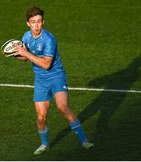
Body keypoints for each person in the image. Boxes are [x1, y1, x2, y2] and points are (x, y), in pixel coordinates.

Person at [14, 6, 94, 155]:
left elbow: (46, 64)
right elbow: (25, 58)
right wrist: (16, 54)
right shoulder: (26, 36)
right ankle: (45, 144)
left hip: (56, 76)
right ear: (28, 24)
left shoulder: (49, 39)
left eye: (39, 21)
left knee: (63, 107)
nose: (36, 25)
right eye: (33, 22)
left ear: (43, 22)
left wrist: (25, 52)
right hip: (40, 81)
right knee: (41, 117)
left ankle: (84, 141)